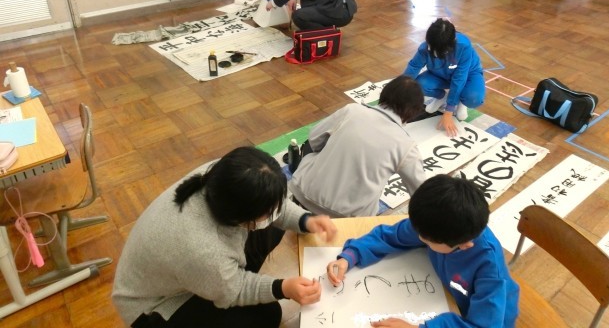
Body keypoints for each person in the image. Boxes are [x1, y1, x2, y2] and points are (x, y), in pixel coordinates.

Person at [112, 146, 337, 328]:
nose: (274, 212)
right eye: (267, 212)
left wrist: (305, 220)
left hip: (181, 270)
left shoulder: (226, 176)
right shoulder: (204, 251)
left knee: (272, 230)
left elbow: (270, 202)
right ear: (241, 216)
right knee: (267, 315)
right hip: (153, 308)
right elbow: (235, 289)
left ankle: (222, 283)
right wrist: (283, 288)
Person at [325, 174, 520, 328]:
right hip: (447, 292)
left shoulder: (489, 268)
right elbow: (390, 235)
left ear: (463, 245)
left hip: (485, 314)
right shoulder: (436, 223)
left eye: (427, 240)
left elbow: (484, 325)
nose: (418, 238)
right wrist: (350, 256)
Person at [289, 75, 427, 218]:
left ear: (384, 94)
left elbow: (314, 138)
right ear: (413, 112)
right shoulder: (406, 146)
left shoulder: (352, 110)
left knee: (313, 148)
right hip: (349, 217)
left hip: (303, 193)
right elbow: (422, 193)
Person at [403, 18, 485, 138]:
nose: (434, 53)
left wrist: (449, 112)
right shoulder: (424, 48)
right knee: (417, 85)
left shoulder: (464, 46)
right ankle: (442, 97)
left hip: (468, 75)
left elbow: (460, 78)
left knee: (474, 98)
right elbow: (414, 67)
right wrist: (401, 90)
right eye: (431, 48)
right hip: (440, 74)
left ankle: (461, 101)